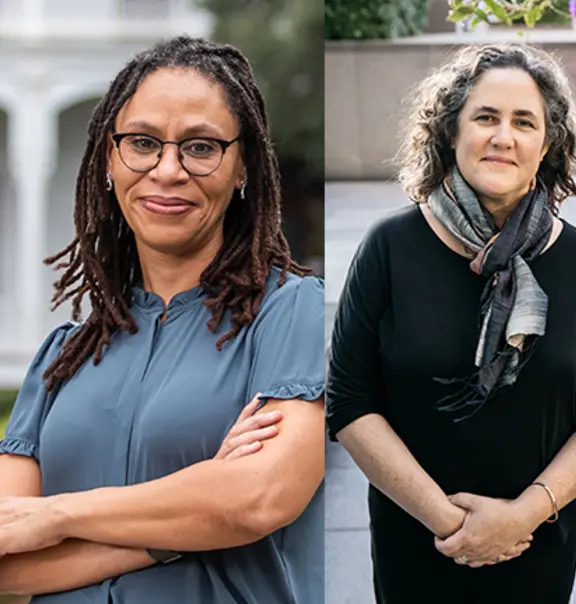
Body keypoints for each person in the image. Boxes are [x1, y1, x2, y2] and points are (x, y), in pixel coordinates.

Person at [0, 36, 325, 603]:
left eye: (201, 147)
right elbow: (8, 560)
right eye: (144, 143)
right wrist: (192, 521)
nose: (167, 171)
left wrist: (55, 515)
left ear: (242, 163)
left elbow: (258, 498)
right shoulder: (61, 357)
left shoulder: (291, 312)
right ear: (110, 157)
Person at [326, 43, 576, 603]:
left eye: (524, 122)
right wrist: (448, 522)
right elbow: (349, 402)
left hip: (539, 543)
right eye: (485, 117)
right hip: (417, 544)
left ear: (547, 144)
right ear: (450, 132)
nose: (503, 137)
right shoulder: (389, 248)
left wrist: (520, 517)